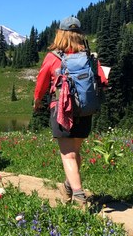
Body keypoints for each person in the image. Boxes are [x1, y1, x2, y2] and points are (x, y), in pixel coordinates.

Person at [33, 16, 108, 207]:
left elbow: (41, 83)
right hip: (85, 110)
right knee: (75, 152)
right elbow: (103, 82)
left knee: (68, 155)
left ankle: (79, 195)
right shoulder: (90, 58)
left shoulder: (53, 57)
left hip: (62, 111)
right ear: (80, 35)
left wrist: (37, 101)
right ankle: (69, 185)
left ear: (60, 34)